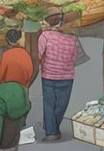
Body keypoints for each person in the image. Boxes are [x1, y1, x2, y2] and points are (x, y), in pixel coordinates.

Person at [36, 8, 84, 141]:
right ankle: (54, 126)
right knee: (61, 104)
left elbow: (39, 55)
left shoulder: (44, 36)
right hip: (67, 77)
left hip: (48, 76)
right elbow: (75, 57)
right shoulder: (73, 39)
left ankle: (51, 131)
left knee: (49, 103)